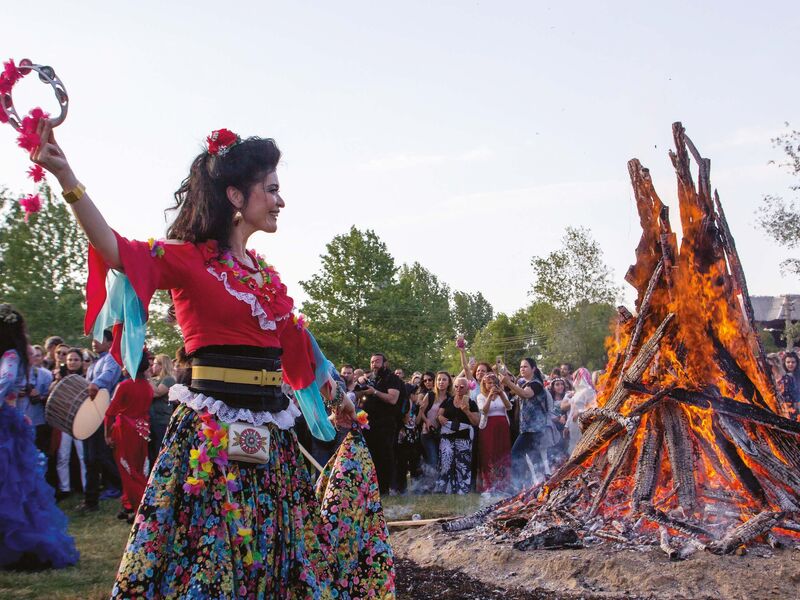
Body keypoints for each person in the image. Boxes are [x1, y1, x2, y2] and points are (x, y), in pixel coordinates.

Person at [32, 124, 392, 597]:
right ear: (236, 196)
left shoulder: (266, 280)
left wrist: (340, 397)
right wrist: (67, 179)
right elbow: (115, 250)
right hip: (210, 439)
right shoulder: (189, 260)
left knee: (273, 553)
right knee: (211, 555)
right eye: (272, 190)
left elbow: (301, 349)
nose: (281, 202)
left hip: (272, 442)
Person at [0, 303, 78, 569]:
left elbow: (5, 382)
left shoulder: (11, 355)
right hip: (10, 420)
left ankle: (20, 544)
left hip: (6, 424)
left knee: (13, 481)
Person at [105, 351, 153, 523]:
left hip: (125, 430)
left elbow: (110, 413)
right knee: (138, 468)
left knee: (129, 471)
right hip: (142, 429)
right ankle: (128, 505)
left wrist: (107, 435)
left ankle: (143, 507)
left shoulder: (124, 386)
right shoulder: (148, 386)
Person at [82, 329, 123, 510]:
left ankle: (123, 486)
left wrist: (95, 384)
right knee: (92, 457)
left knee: (98, 457)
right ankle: (91, 499)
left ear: (109, 343)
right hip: (91, 413)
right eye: (93, 339)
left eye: (99, 339)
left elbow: (107, 377)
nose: (94, 342)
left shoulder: (112, 359)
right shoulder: (94, 364)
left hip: (104, 413)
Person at [357, 352, 403, 494]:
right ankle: (371, 488)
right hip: (368, 424)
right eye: (372, 362)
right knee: (370, 456)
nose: (374, 364)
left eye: (377, 361)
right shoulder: (370, 378)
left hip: (385, 425)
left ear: (385, 363)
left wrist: (375, 392)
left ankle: (384, 489)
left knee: (384, 456)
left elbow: (392, 399)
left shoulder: (392, 378)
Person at [502, 357, 550, 490]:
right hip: (527, 428)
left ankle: (518, 486)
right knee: (534, 458)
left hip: (534, 428)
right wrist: (505, 378)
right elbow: (515, 391)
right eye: (521, 367)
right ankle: (539, 485)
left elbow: (525, 394)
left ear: (533, 369)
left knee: (516, 453)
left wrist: (508, 382)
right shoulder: (524, 383)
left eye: (525, 366)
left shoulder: (536, 384)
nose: (522, 369)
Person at [51, 348, 88, 500]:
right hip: (64, 422)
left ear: (81, 362)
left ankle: (87, 487)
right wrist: (57, 381)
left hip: (81, 422)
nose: (72, 362)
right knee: (62, 456)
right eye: (70, 360)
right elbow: (51, 396)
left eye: (75, 360)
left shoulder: (86, 378)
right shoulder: (59, 378)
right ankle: (64, 488)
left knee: (83, 456)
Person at [434, 376, 479, 494]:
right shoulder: (448, 401)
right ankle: (445, 488)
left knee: (463, 463)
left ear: (467, 388)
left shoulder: (471, 403)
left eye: (462, 387)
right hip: (447, 437)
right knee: (446, 461)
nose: (458, 389)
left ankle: (462, 489)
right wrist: (440, 417)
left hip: (463, 438)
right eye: (456, 386)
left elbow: (476, 422)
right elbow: (438, 415)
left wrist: (467, 411)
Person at [476, 372, 512, 493]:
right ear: (484, 384)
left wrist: (501, 394)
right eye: (489, 383)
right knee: (489, 453)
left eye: (494, 383)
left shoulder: (503, 394)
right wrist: (490, 396)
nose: (492, 385)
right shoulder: (480, 396)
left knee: (502, 452)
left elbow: (509, 407)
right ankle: (489, 486)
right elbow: (484, 411)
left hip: (502, 426)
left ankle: (504, 485)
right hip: (488, 427)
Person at [148, 352, 176, 467]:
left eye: (154, 364)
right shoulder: (155, 379)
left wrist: (148, 378)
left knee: (158, 451)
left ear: (161, 365)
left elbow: (157, 393)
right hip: (152, 420)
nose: (152, 367)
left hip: (161, 420)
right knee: (151, 453)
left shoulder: (168, 379)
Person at [566, 367, 598, 452]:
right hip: (573, 426)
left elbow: (594, 408)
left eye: (577, 375)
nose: (574, 378)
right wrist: (567, 426)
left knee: (582, 449)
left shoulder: (589, 390)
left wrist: (579, 413)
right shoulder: (577, 393)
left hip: (583, 423)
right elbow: (572, 411)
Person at [780, 351, 800, 420]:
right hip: (787, 409)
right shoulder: (783, 377)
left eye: (793, 362)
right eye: (788, 362)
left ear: (797, 363)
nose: (790, 364)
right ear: (784, 363)